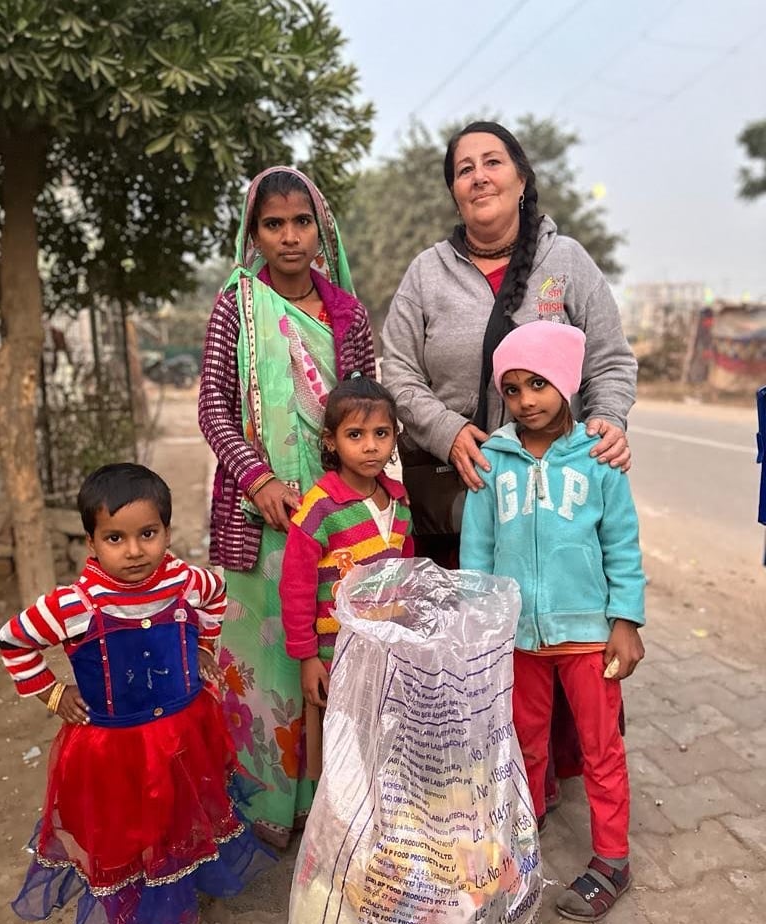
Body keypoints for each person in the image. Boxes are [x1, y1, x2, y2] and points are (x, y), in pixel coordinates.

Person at [381, 118, 638, 805]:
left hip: (553, 497)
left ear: (522, 179)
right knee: (472, 643)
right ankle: (481, 779)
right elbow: (396, 368)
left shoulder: (568, 263)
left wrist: (607, 419)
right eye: (464, 169)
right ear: (454, 191)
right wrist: (446, 431)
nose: (479, 176)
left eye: (493, 162)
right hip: (453, 496)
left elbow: (610, 360)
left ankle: (553, 780)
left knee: (557, 629)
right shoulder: (428, 273)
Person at [0, 463, 275, 924]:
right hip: (111, 753)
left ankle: (180, 916)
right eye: (114, 537)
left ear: (167, 531)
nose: (133, 550)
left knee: (177, 827)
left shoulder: (186, 581)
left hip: (183, 740)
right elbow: (13, 641)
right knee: (122, 842)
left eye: (148, 534)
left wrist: (203, 647)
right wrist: (53, 693)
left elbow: (215, 596)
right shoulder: (74, 603)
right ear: (92, 542)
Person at [198, 167, 376, 847]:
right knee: (262, 664)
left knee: (328, 653)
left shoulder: (348, 314)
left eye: (301, 221)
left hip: (331, 513)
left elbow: (363, 408)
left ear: (321, 229)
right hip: (257, 517)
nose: (289, 236)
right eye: (273, 224)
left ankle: (328, 804)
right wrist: (258, 478)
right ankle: (262, 809)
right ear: (254, 233)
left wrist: (345, 498)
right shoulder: (235, 305)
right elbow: (213, 405)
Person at [460, 322, 645, 922]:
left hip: (588, 634)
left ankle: (612, 859)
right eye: (511, 390)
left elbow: (622, 543)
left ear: (565, 383)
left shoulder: (597, 457)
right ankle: (526, 828)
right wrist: (480, 624)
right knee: (521, 744)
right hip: (517, 637)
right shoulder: (494, 459)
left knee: (600, 748)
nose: (526, 401)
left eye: (538, 384)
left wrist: (625, 620)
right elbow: (477, 549)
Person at [279, 374, 414, 772]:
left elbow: (406, 574)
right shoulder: (319, 508)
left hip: (388, 649)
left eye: (381, 433)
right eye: (355, 434)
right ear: (330, 441)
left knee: (385, 739)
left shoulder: (399, 500)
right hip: (334, 656)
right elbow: (296, 588)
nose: (371, 445)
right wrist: (307, 658)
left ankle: (379, 817)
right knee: (340, 750)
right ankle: (339, 827)